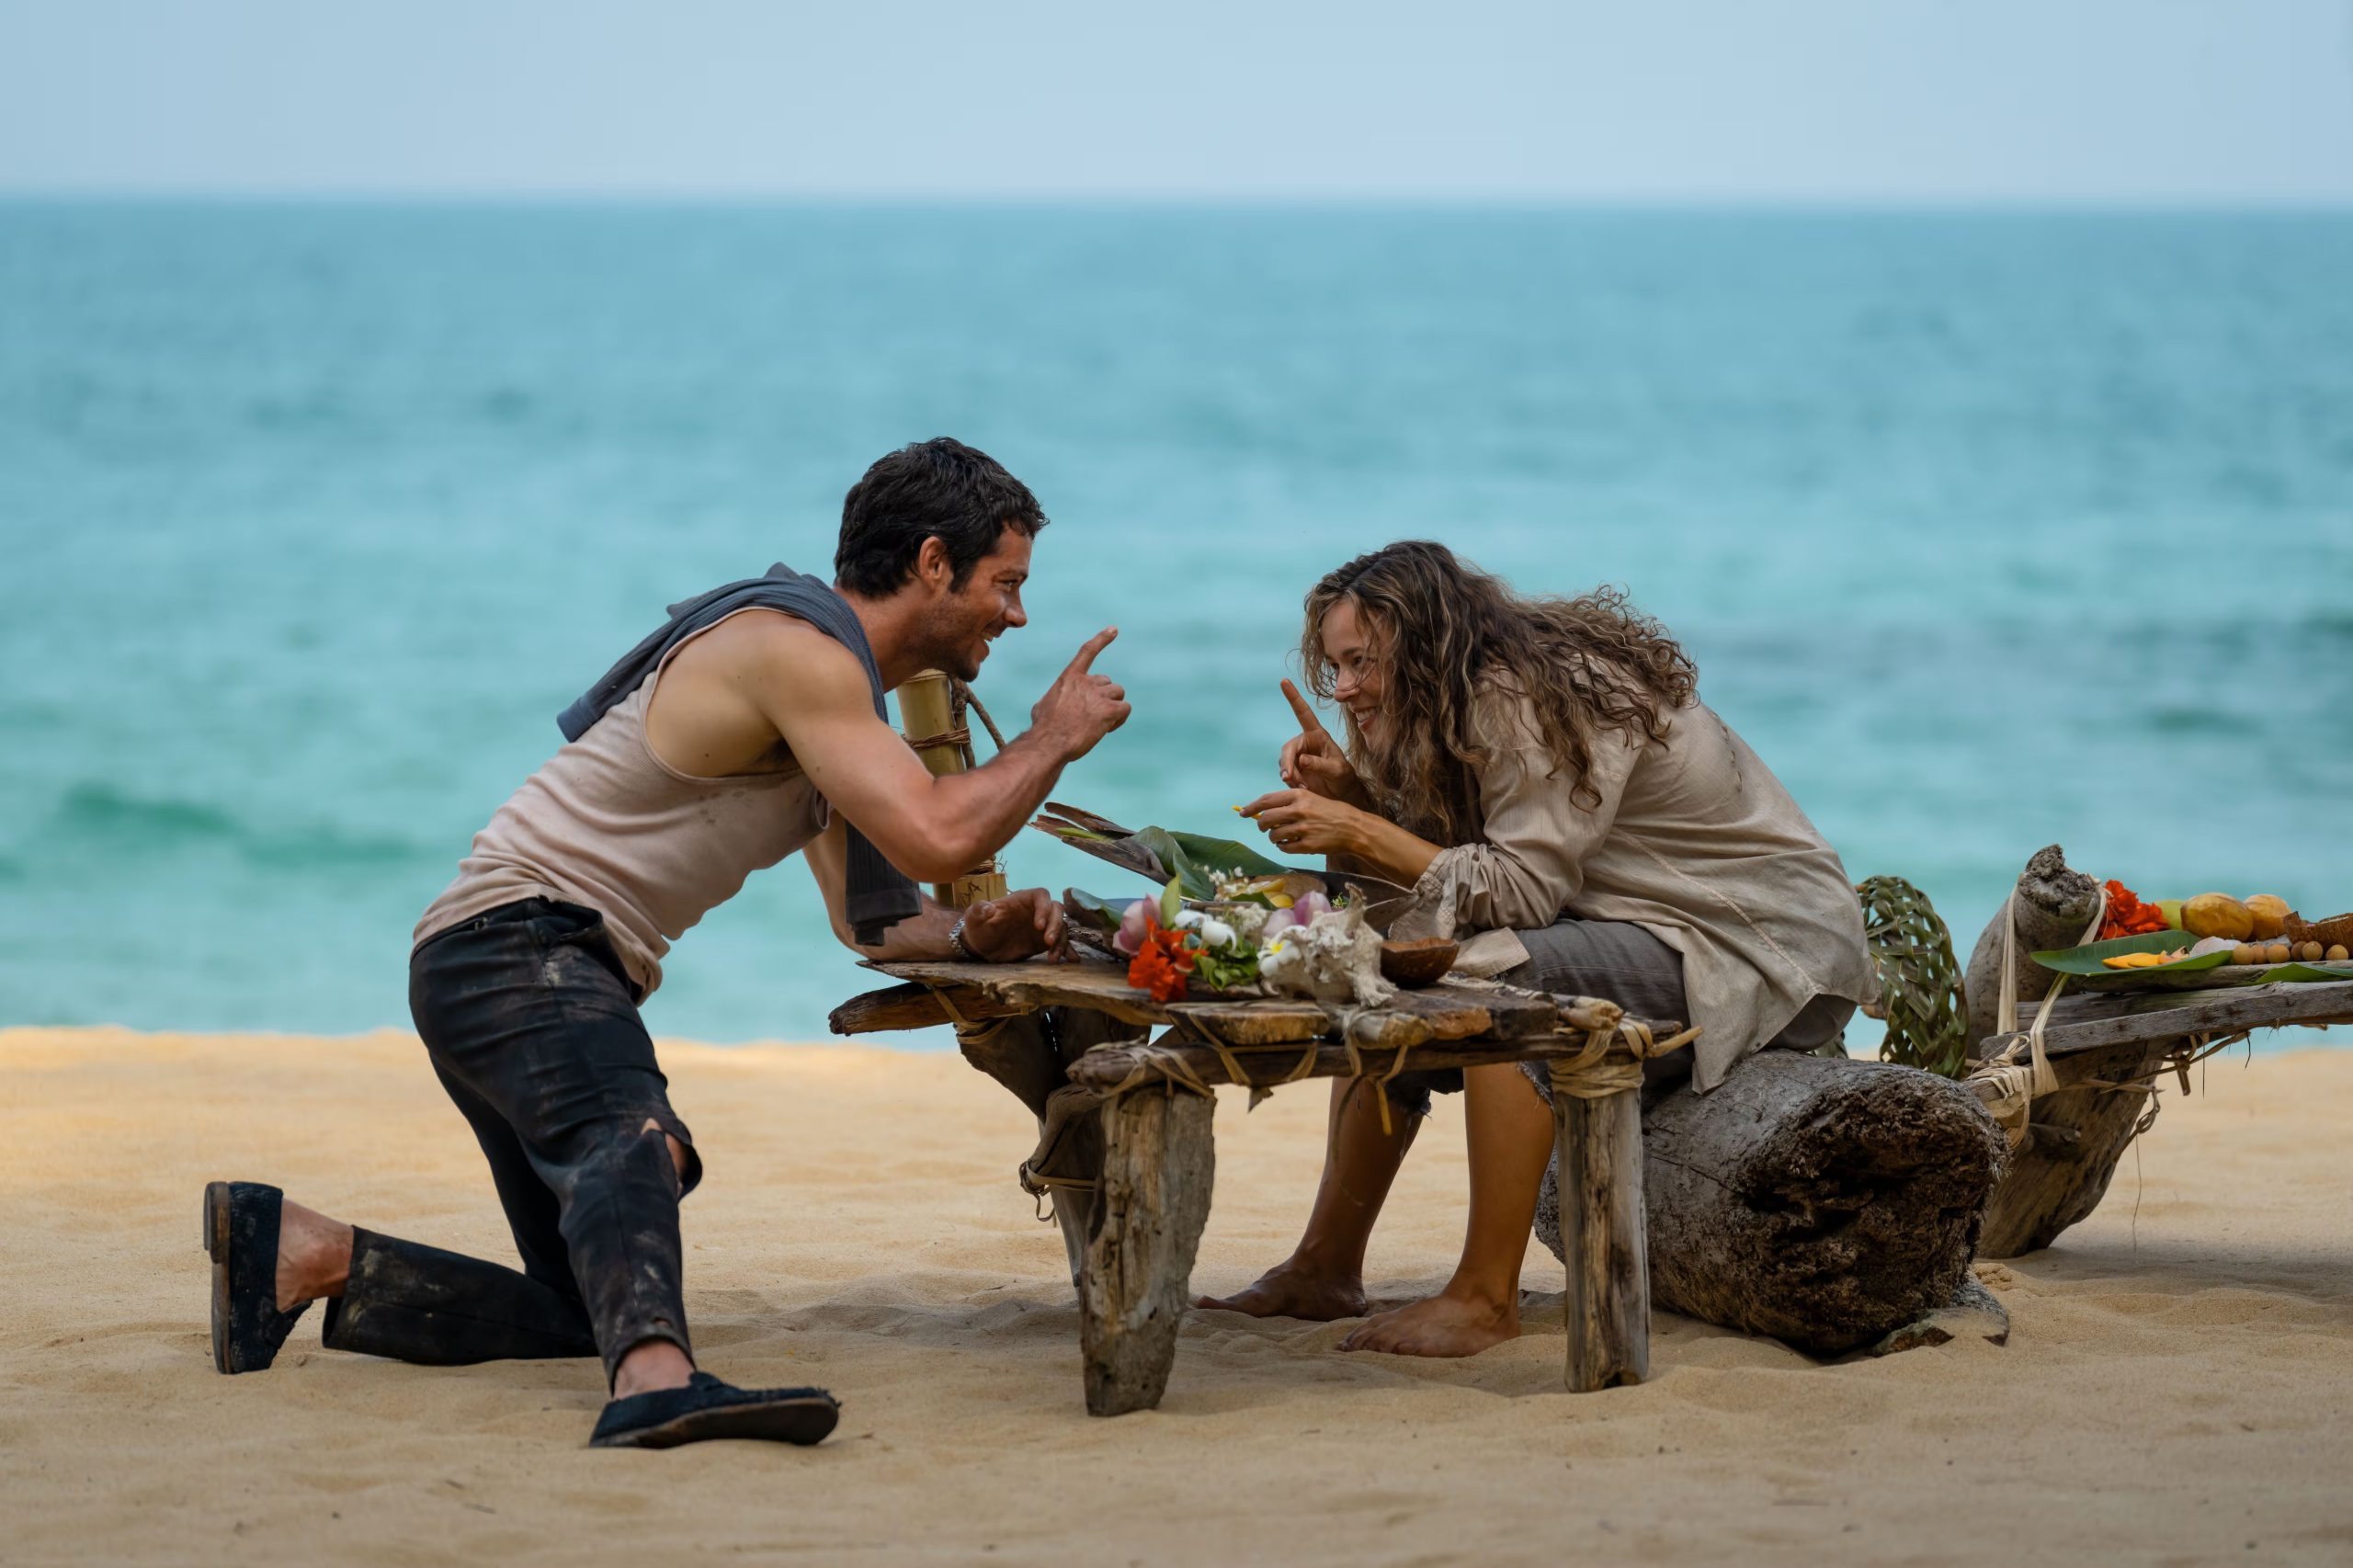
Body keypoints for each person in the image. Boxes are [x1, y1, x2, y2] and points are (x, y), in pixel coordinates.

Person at [203, 437, 1132, 1447]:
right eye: (1005, 583)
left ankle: (304, 1248)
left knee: (581, 1305)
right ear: (932, 562)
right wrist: (1051, 736)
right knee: (635, 1139)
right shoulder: (797, 651)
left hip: (492, 959)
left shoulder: (836, 697)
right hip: (523, 942)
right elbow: (940, 831)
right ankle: (654, 1385)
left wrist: (974, 928)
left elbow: (877, 920)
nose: (1018, 614)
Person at [1210, 540, 1871, 1357]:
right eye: (1335, 666)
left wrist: (1363, 826)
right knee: (1397, 973)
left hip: (1763, 947)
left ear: (1425, 649)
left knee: (1500, 976)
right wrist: (1356, 802)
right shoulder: (1456, 708)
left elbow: (1519, 895)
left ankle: (1485, 1298)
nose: (1343, 688)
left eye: (1362, 663)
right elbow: (1434, 901)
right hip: (1652, 926)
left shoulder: (1523, 695)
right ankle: (1324, 1267)